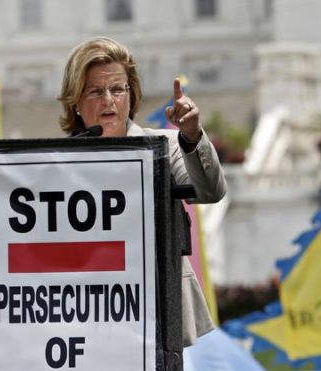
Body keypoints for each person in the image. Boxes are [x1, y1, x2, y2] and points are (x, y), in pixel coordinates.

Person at [58, 36, 227, 347]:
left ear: (131, 95)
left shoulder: (167, 146)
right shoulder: (50, 163)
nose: (108, 100)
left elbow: (210, 191)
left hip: (156, 311)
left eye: (117, 89)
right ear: (75, 102)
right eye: (95, 91)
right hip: (81, 318)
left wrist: (191, 135)